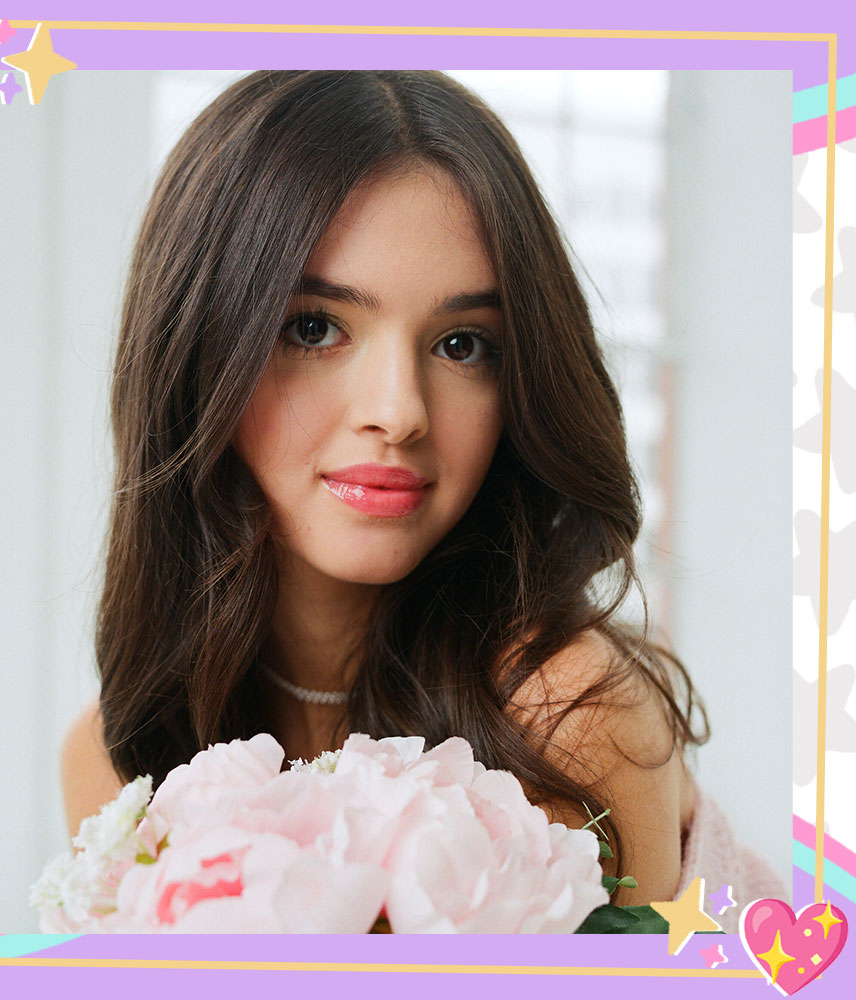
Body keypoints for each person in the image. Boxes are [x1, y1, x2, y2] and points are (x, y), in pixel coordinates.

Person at [61, 70, 781, 919]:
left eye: (463, 343)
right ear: (196, 353)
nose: (399, 413)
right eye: (314, 328)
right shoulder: (117, 764)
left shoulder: (565, 722)